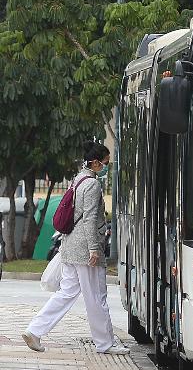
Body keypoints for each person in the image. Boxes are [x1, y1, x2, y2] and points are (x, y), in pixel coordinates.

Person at [22, 141, 129, 355]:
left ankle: (34, 330)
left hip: (71, 246)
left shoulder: (78, 179)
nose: (107, 167)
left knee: (66, 293)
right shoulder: (92, 184)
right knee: (97, 297)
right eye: (106, 163)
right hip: (85, 250)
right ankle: (105, 343)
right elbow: (89, 218)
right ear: (96, 162)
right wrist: (93, 249)